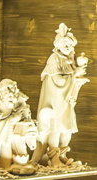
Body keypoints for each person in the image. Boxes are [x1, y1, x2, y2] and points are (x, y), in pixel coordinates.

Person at [32, 23, 89, 167]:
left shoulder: (69, 59)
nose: (68, 48)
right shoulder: (54, 58)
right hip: (55, 100)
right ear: (58, 46)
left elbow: (71, 76)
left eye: (70, 45)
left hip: (66, 100)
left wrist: (78, 69)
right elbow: (58, 80)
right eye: (65, 45)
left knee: (66, 129)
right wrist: (74, 75)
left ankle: (63, 155)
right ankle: (53, 157)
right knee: (55, 128)